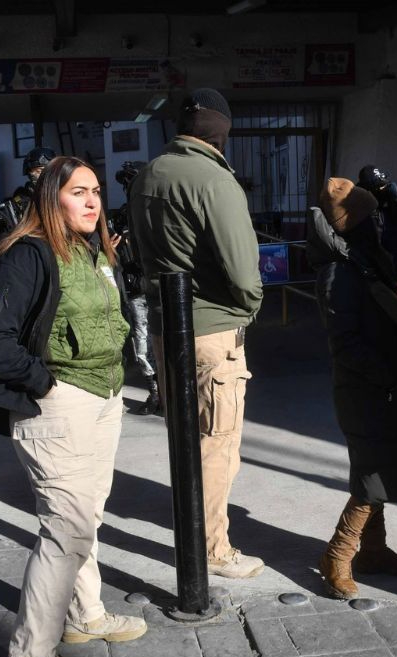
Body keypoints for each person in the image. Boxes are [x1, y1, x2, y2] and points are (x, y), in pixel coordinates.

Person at [0, 156, 145, 657]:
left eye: (95, 191)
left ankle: (85, 616)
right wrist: (42, 382)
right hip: (57, 404)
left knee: (86, 517)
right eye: (77, 192)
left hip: (105, 398)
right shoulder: (27, 255)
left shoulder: (97, 251)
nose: (92, 201)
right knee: (65, 527)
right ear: (52, 197)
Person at [129, 88, 265, 579]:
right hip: (213, 331)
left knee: (185, 440)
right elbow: (243, 272)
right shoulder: (214, 179)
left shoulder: (149, 174)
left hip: (169, 328)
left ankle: (195, 539)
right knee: (217, 445)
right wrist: (249, 309)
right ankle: (213, 550)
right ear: (222, 132)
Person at [307, 178, 397, 599]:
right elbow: (344, 343)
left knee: (380, 467)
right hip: (365, 389)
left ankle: (373, 551)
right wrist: (384, 376)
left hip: (384, 385)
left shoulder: (364, 263)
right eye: (369, 219)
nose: (376, 226)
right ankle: (338, 556)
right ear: (352, 225)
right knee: (372, 474)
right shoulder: (338, 272)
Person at [111, 160, 160, 415]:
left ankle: (169, 394)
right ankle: (156, 393)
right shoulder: (121, 216)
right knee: (142, 344)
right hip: (135, 288)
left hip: (162, 287)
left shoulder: (160, 210)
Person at [357, 164, 397, 271]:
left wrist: (395, 198)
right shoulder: (365, 209)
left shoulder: (387, 201)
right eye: (381, 186)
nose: (385, 187)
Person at [6, 146, 57, 227]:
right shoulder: (22, 200)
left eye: (39, 171)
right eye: (31, 171)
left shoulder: (62, 196)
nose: (34, 175)